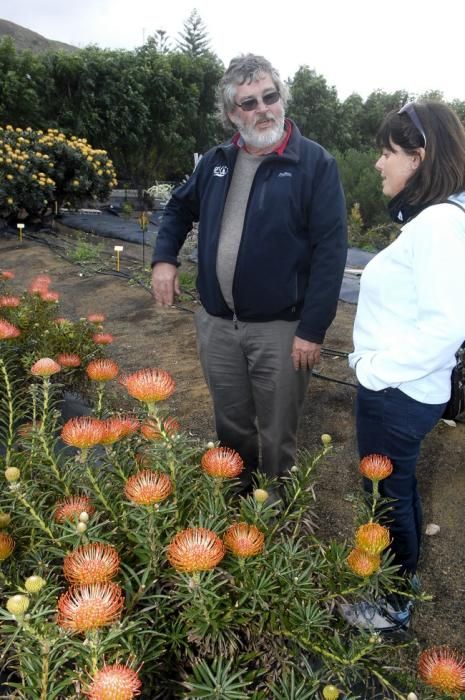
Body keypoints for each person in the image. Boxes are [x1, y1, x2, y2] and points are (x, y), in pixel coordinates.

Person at [151, 53, 347, 493]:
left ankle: (276, 513)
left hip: (281, 329)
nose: (262, 110)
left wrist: (312, 330)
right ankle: (237, 505)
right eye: (248, 102)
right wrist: (164, 258)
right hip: (218, 324)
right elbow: (180, 207)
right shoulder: (217, 161)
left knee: (278, 433)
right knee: (232, 424)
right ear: (230, 114)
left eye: (269, 97)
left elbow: (332, 254)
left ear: (282, 98)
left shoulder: (314, 165)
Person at [343, 101, 465, 631]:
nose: (378, 164)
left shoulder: (439, 224)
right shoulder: (435, 220)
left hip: (397, 391)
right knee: (401, 488)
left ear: (418, 157)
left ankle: (392, 606)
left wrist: (373, 371)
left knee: (388, 496)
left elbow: (446, 326)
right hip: (406, 389)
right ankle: (403, 585)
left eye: (386, 153)